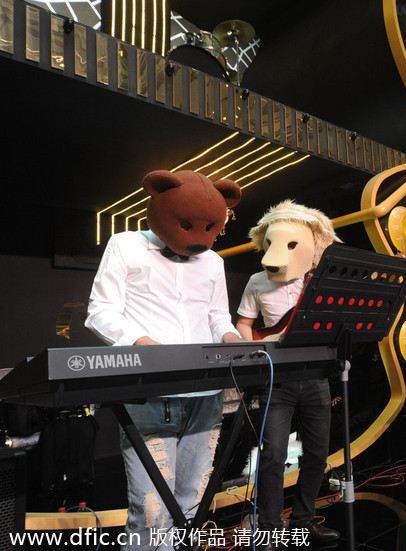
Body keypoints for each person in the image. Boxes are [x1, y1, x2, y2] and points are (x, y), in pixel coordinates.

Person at [85, 170, 243, 551]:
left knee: (193, 503)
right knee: (151, 510)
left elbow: (218, 317)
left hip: (205, 396)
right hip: (150, 395)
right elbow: (100, 312)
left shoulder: (213, 262)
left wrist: (234, 342)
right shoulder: (126, 245)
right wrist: (143, 344)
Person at [235, 200, 341, 551]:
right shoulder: (256, 281)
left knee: (317, 454)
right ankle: (268, 528)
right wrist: (253, 353)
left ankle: (303, 523)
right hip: (276, 378)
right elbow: (244, 323)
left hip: (315, 376)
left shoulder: (318, 280)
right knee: (273, 455)